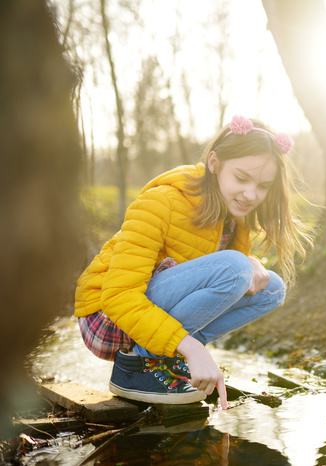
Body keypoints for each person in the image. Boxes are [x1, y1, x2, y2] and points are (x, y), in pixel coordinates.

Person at [74, 115, 313, 407]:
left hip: (149, 314)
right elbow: (118, 296)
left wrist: (250, 260)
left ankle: (165, 360)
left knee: (272, 289)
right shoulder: (161, 202)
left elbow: (214, 278)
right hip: (107, 317)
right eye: (241, 178)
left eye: (263, 186)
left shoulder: (236, 217)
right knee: (236, 268)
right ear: (214, 163)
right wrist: (193, 349)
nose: (251, 194)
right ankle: (135, 365)